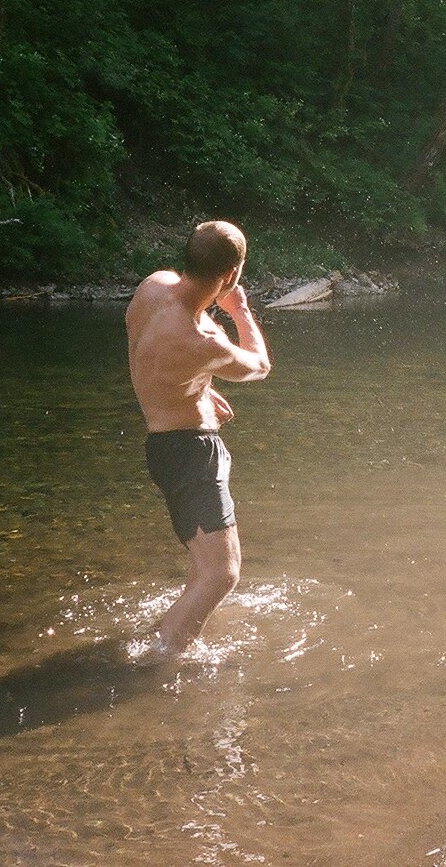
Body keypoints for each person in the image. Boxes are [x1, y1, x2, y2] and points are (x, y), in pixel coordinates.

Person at [125, 220, 272, 655]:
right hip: (192, 453)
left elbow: (154, 356)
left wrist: (202, 387)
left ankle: (170, 634)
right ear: (231, 276)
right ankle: (159, 660)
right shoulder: (205, 341)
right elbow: (259, 366)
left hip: (163, 446)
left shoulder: (152, 288)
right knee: (222, 574)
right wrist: (240, 309)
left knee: (203, 568)